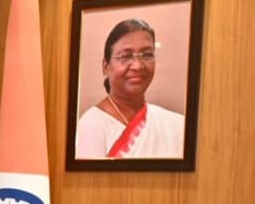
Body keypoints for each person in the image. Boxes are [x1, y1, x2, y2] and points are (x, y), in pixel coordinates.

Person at [74, 18, 186, 159]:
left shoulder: (177, 125)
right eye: (126, 56)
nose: (138, 66)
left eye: (147, 55)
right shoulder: (92, 125)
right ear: (106, 66)